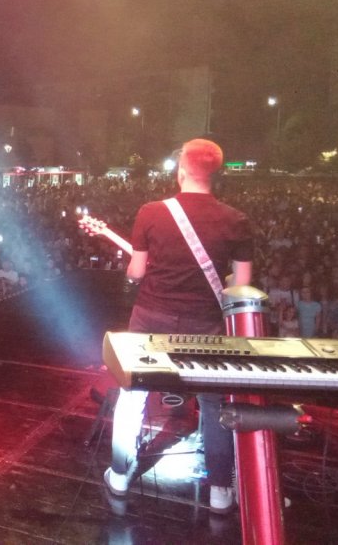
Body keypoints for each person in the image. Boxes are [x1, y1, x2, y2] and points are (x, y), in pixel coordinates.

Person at [102, 139, 254, 514]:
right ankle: (220, 489)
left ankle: (119, 476)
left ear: (181, 170)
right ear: (216, 173)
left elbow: (137, 271)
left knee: (133, 395)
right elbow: (241, 287)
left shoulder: (152, 211)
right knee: (213, 402)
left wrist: (138, 273)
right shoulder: (236, 220)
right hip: (205, 323)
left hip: (150, 317)